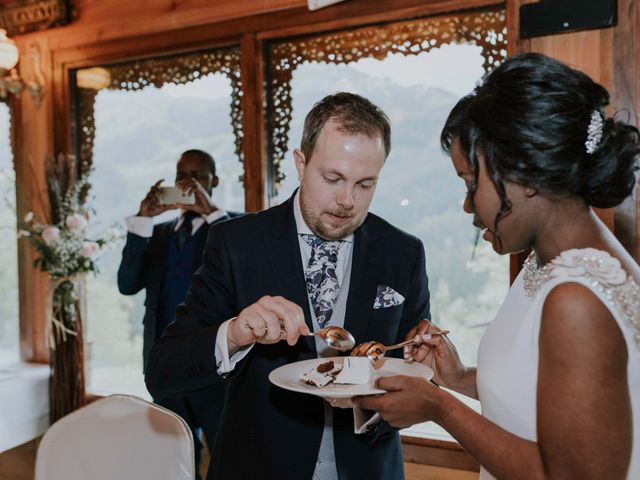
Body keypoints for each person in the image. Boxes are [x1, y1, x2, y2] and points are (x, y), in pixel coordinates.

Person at [357, 52, 640, 480]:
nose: (468, 204)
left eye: (472, 182)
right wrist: (459, 378)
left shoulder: (578, 297)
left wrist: (439, 406)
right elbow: (548, 396)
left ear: (523, 174)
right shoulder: (546, 264)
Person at [145, 92, 431, 480]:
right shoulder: (236, 245)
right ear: (301, 163)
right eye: (333, 178)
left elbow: (409, 363)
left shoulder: (404, 252)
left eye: (365, 184)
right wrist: (234, 334)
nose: (347, 200)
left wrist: (420, 363)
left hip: (368, 467)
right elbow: (164, 371)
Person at [117, 149, 239, 479]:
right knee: (173, 457)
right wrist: (143, 217)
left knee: (226, 454)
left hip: (216, 367)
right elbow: (127, 284)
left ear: (213, 181)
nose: (189, 182)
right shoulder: (156, 233)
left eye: (198, 175)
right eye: (182, 176)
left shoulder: (234, 228)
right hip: (164, 364)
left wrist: (212, 213)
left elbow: (245, 274)